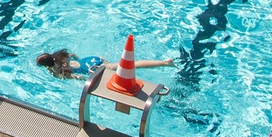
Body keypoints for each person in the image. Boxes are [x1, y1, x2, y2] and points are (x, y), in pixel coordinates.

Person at [35, 49, 175, 80]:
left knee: (130, 66)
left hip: (95, 68)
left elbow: (77, 77)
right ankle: (163, 62)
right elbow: (74, 55)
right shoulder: (59, 55)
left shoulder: (57, 71)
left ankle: (165, 63)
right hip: (93, 58)